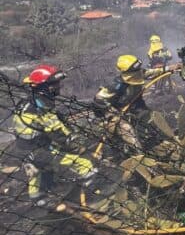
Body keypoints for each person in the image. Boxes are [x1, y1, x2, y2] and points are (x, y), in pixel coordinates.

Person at [12, 65, 96, 205]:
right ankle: (90, 195)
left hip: (25, 148)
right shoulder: (41, 105)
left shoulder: (31, 101)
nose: (58, 86)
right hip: (38, 148)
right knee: (87, 166)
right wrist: (74, 144)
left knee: (41, 171)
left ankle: (38, 199)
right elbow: (57, 132)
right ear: (43, 86)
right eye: (54, 84)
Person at [93, 55, 173, 150]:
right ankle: (137, 152)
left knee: (152, 118)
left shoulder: (139, 73)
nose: (138, 73)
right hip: (116, 111)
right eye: (135, 71)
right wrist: (113, 114)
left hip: (135, 106)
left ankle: (161, 140)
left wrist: (168, 68)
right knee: (127, 131)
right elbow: (98, 99)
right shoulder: (117, 86)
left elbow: (151, 72)